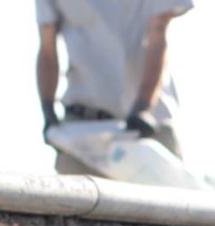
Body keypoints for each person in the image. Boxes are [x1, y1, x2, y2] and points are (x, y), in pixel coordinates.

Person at [36, 0, 193, 174]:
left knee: (168, 197)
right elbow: (47, 47)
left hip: (149, 128)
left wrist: (142, 108)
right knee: (67, 197)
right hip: (81, 129)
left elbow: (158, 32)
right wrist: (48, 112)